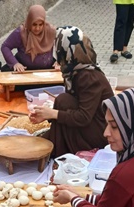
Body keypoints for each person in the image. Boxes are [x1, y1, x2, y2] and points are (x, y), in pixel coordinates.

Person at [29, 26, 111, 156]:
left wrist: (52, 114)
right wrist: (46, 115)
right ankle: (57, 141)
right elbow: (71, 104)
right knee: (63, 100)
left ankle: (59, 147)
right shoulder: (75, 70)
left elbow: (83, 117)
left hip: (103, 133)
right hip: (92, 123)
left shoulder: (88, 76)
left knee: (63, 101)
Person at [0, 5, 58, 72]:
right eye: (34, 24)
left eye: (40, 24)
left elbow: (63, 46)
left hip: (47, 69)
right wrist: (15, 63)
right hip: (24, 70)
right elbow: (5, 47)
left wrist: (60, 61)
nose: (37, 28)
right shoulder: (21, 32)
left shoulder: (51, 31)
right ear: (29, 21)